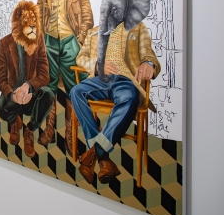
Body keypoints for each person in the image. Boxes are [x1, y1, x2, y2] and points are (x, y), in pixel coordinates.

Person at [69, 21, 160, 184]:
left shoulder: (138, 28)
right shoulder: (94, 31)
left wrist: (149, 64)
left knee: (129, 98)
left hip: (125, 81)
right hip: (100, 80)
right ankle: (102, 157)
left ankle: (94, 152)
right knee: (76, 91)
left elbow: (149, 55)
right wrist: (98, 65)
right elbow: (80, 58)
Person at [36, 0, 93, 150]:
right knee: (48, 86)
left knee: (73, 88)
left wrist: (79, 41)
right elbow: (38, 16)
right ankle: (49, 130)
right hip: (49, 43)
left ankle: (70, 134)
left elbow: (87, 17)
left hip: (70, 42)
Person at [0, 0, 53, 158]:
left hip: (31, 96)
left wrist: (29, 85)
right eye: (27, 20)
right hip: (14, 97)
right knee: (0, 107)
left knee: (48, 94)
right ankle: (14, 121)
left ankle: (30, 130)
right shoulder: (5, 43)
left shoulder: (38, 40)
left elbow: (44, 75)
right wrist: (12, 95)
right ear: (17, 22)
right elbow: (2, 80)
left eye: (34, 20)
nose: (32, 25)